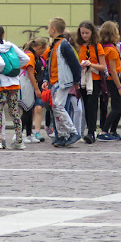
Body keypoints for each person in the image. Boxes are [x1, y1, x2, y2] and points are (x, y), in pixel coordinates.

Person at [0, 25, 30, 150]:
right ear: (3, 34)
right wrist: (14, 69)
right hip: (15, 83)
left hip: (2, 85)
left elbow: (0, 63)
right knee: (14, 112)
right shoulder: (10, 45)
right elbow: (25, 58)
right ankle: (19, 141)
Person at [42, 17, 82, 148]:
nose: (48, 30)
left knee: (58, 106)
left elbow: (75, 64)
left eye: (49, 28)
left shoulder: (63, 45)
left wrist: (76, 80)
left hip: (63, 81)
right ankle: (62, 135)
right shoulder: (55, 44)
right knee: (56, 107)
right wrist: (46, 79)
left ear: (53, 29)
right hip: (55, 81)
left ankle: (73, 132)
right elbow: (50, 64)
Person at [76, 21, 107, 144]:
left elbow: (103, 66)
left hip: (94, 79)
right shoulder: (78, 46)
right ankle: (86, 130)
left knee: (92, 106)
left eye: (87, 33)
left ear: (92, 33)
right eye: (82, 33)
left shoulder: (97, 46)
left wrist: (91, 64)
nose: (84, 35)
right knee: (84, 107)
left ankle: (91, 132)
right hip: (82, 79)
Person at [97, 21, 121, 141]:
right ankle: (105, 130)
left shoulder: (102, 47)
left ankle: (113, 131)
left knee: (119, 105)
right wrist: (120, 87)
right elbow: (113, 71)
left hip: (107, 79)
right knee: (117, 107)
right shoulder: (112, 50)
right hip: (114, 79)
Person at [18, 37, 48, 143]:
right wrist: (37, 89)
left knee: (29, 109)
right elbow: (30, 74)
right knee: (27, 110)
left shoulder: (28, 54)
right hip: (26, 84)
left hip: (27, 83)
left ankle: (29, 134)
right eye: (42, 51)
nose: (42, 53)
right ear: (39, 48)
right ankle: (19, 133)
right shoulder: (30, 56)